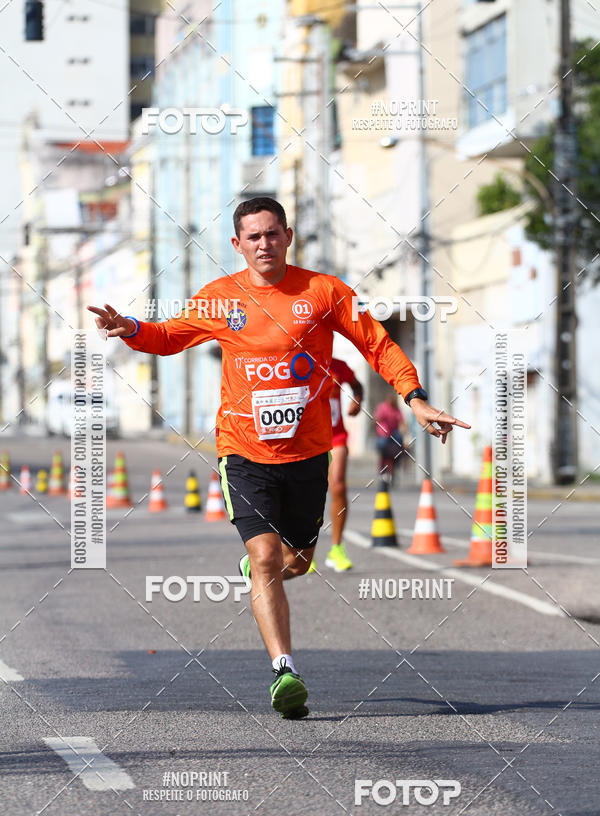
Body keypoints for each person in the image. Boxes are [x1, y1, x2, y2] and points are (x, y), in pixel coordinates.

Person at [88, 196, 470, 720]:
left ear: (288, 237)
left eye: (272, 234)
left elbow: (377, 344)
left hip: (309, 453)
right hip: (243, 452)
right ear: (237, 245)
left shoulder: (324, 292)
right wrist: (131, 327)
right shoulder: (222, 298)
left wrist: (414, 397)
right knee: (267, 559)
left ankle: (266, 568)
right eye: (253, 237)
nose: (264, 244)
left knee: (296, 562)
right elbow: (170, 336)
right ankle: (284, 671)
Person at [308, 357, 363, 573]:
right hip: (307, 438)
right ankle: (303, 551)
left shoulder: (338, 365)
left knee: (338, 486)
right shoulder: (298, 361)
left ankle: (336, 549)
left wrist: (357, 400)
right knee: (308, 491)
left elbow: (357, 385)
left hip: (335, 436)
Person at [374, 392, 408, 484]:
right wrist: (380, 418)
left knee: (402, 446)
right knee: (382, 445)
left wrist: (405, 430)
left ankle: (398, 464)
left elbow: (402, 421)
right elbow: (376, 418)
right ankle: (382, 469)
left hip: (394, 434)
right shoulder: (382, 407)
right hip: (383, 434)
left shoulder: (396, 409)